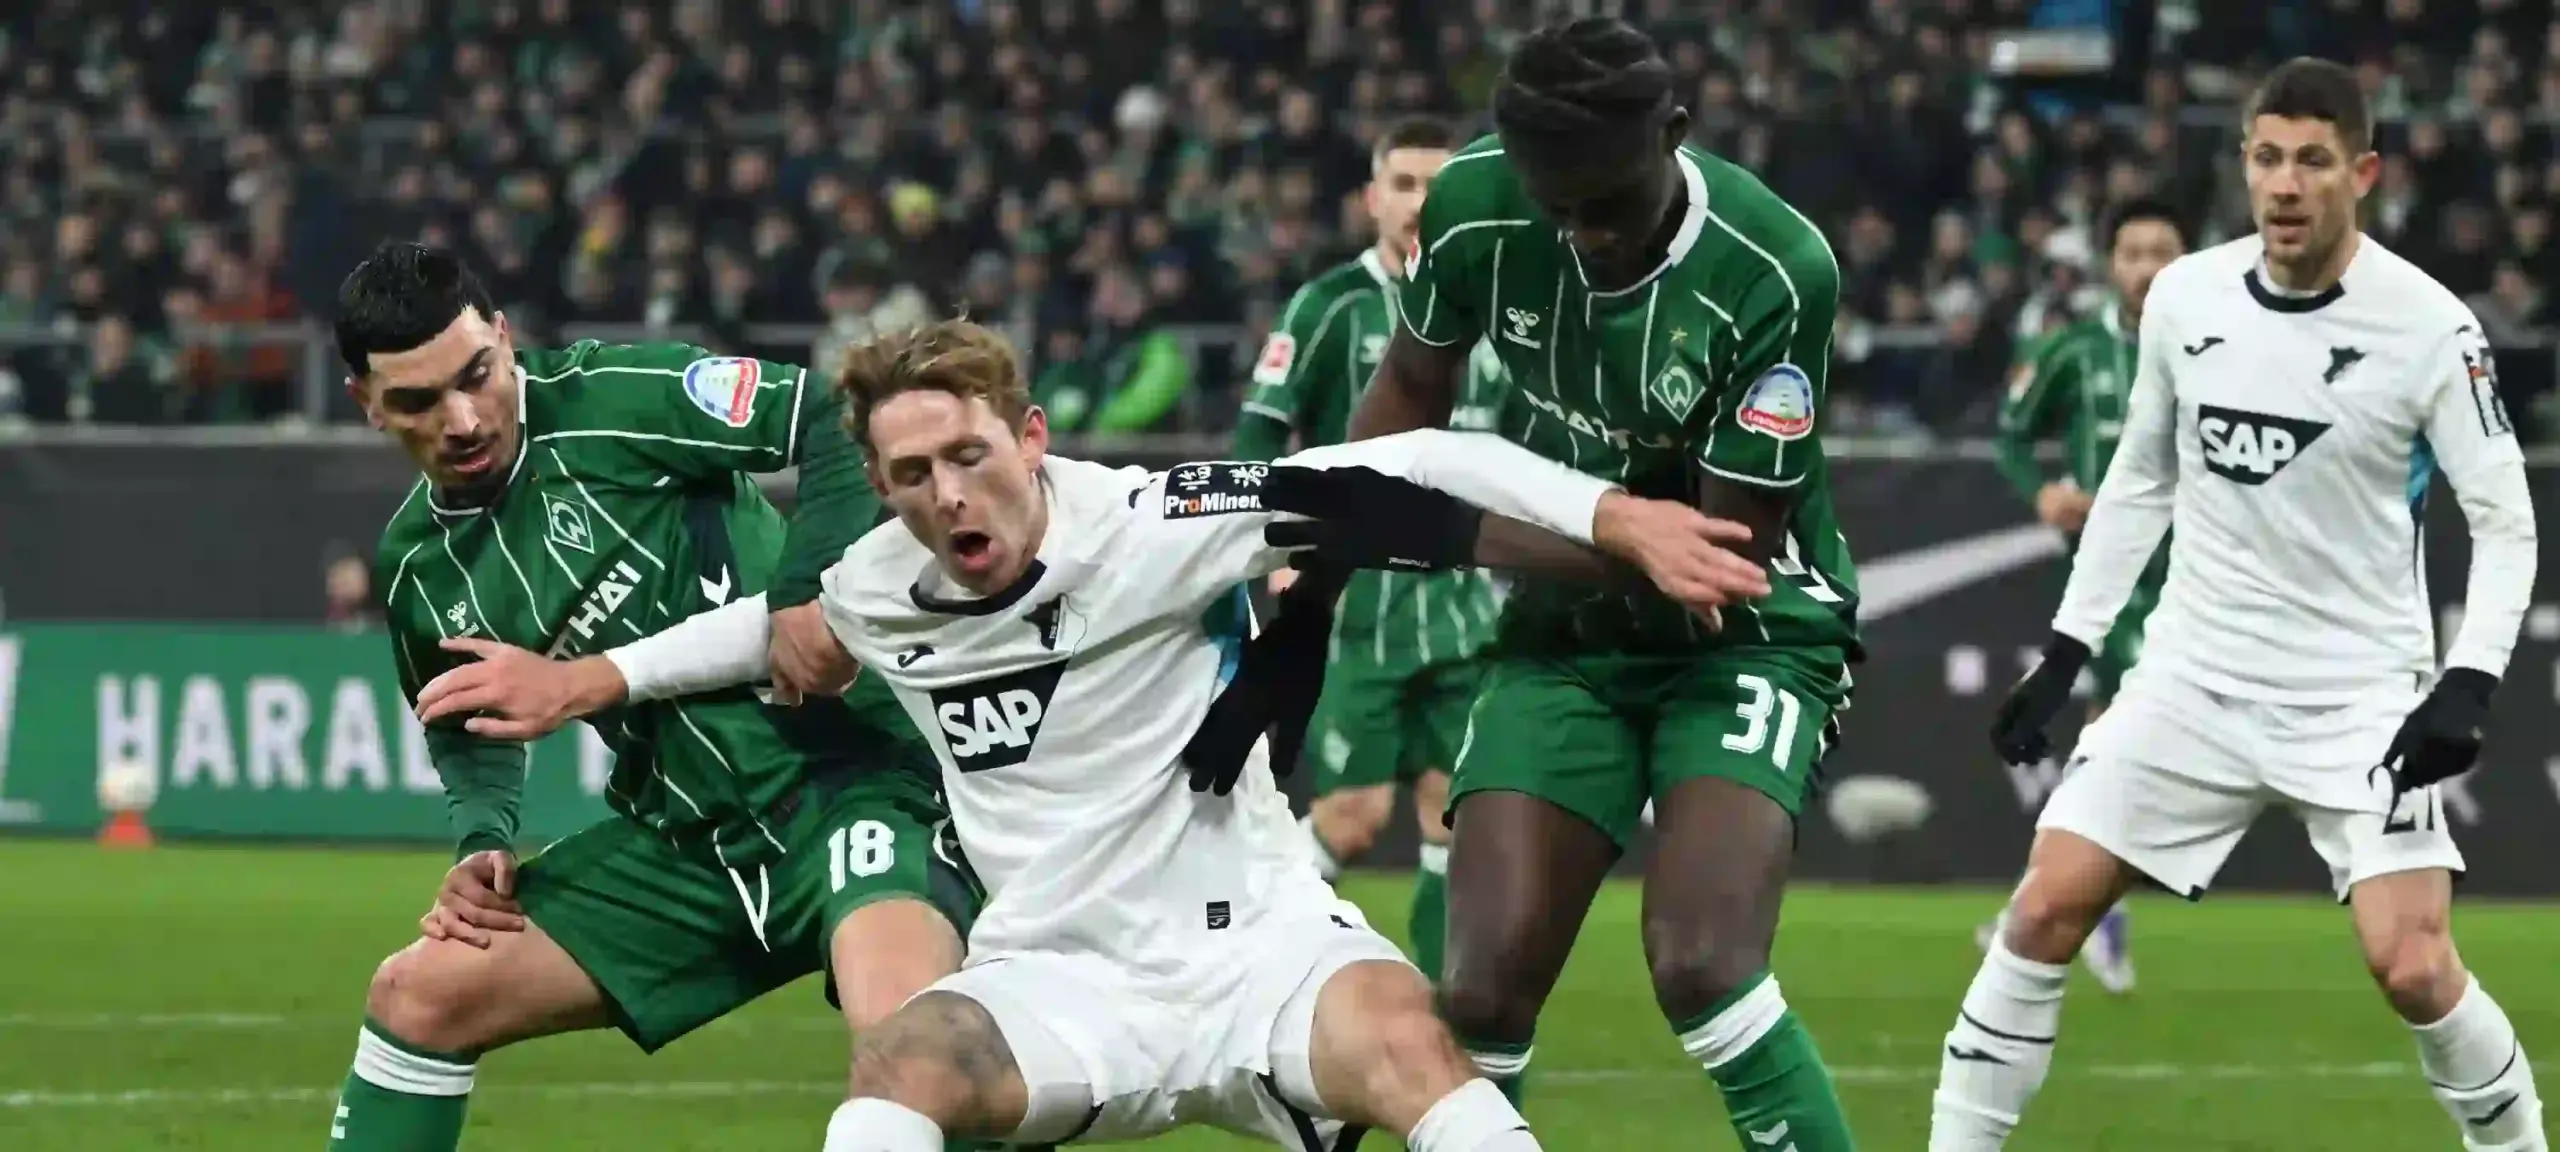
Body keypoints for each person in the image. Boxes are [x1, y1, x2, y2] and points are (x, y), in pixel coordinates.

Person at [408, 319, 1774, 1151]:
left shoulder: (1160, 523)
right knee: (900, 1067)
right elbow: (779, 636)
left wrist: (1613, 521)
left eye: (970, 457)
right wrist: (587, 680)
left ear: (1034, 437)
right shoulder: (884, 580)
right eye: (910, 476)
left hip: (1261, 954)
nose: (949, 498)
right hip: (1060, 977)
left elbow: (1406, 471)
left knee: (1424, 1053)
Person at [1933, 58, 2545, 1151]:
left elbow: (2505, 523)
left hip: (2360, 693)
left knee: (2410, 965)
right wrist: (2071, 649)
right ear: (2244, 167)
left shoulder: (2430, 329)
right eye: (2267, 158)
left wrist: (2469, 681)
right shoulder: (2185, 297)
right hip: (2191, 677)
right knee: (2040, 909)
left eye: (2313, 161)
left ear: (2362, 173)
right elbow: (2138, 479)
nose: (2286, 185)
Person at [1330, 17, 1862, 1150]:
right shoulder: (1473, 205)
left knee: (1702, 965)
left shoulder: (1775, 267)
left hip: (1749, 629)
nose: (1582, 238)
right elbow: (1402, 408)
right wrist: (1320, 539)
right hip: (1567, 625)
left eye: (1607, 204)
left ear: (1673, 134)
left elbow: (1714, 555)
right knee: (1473, 1000)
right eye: (1555, 207)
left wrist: (1466, 527)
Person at [323, 243, 983, 1152]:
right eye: (418, 401)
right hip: (686, 850)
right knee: (417, 994)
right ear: (367, 405)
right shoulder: (419, 570)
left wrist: (804, 590)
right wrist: (484, 838)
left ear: (506, 339)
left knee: (910, 1053)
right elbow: (462, 722)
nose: (464, 417)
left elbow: (839, 416)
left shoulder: (619, 396)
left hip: (855, 786)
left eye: (478, 374)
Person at [1233, 115, 1508, 984]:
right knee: (1350, 816)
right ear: (1371, 199)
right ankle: (1252, 956)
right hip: (1361, 605)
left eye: (1439, 185)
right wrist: (1264, 540)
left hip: (1467, 603)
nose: (1421, 203)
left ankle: (1448, 1003)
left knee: (1452, 812)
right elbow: (1259, 431)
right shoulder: (1331, 306)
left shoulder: (1500, 303)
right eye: (1404, 184)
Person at [1975, 197, 2194, 994]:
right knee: (2121, 740)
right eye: (2132, 251)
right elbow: (2009, 434)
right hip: (2115, 579)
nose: (2146, 267)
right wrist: (2042, 492)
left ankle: (2043, 908)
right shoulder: (2073, 351)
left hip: (2204, 573)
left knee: (2126, 749)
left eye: (2162, 249)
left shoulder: (2220, 344)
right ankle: (2072, 914)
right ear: (2112, 265)